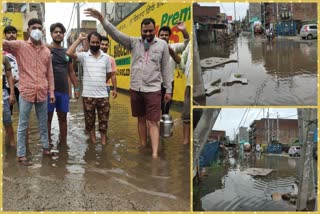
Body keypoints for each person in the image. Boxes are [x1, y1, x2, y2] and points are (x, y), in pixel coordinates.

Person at [85, 8, 172, 158]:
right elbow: (116, 34)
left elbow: (165, 68)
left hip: (153, 89)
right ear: (141, 31)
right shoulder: (133, 42)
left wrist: (168, 90)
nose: (148, 34)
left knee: (153, 121)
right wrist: (102, 19)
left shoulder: (162, 45)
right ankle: (143, 147)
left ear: (155, 30)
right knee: (141, 119)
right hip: (136, 88)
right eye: (145, 31)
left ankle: (155, 155)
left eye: (151, 31)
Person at [3, 18, 55, 166]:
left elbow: (49, 73)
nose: (36, 30)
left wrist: (51, 92)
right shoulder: (20, 46)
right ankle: (21, 155)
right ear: (28, 30)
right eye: (34, 27)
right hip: (26, 90)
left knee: (43, 123)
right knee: (23, 124)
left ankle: (46, 148)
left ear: (43, 30)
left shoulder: (46, 51)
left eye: (39, 27)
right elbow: (4, 42)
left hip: (42, 91)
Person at [66, 32, 112, 145]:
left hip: (103, 96)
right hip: (88, 96)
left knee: (104, 122)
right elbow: (68, 53)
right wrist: (78, 39)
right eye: (93, 42)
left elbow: (109, 74)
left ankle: (103, 143)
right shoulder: (84, 56)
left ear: (100, 43)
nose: (95, 44)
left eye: (97, 42)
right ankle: (93, 142)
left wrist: (100, 82)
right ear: (89, 42)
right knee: (90, 122)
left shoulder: (106, 58)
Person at [48, 22, 80, 150]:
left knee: (63, 119)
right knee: (47, 118)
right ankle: (48, 144)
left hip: (63, 91)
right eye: (55, 32)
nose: (58, 34)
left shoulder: (67, 53)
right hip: (48, 91)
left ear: (63, 35)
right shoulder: (46, 49)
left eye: (60, 32)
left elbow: (71, 72)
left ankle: (63, 144)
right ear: (51, 34)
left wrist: (76, 88)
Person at [158, 22, 189, 114]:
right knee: (153, 110)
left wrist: (184, 31)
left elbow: (187, 45)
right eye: (161, 35)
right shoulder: (152, 49)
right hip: (154, 84)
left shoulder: (174, 47)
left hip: (169, 84)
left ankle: (164, 127)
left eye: (166, 35)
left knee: (166, 110)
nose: (164, 36)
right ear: (158, 36)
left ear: (169, 37)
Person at [179, 42, 191, 145]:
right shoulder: (190, 44)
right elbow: (183, 58)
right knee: (187, 115)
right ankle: (185, 141)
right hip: (190, 84)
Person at [2, 55, 15, 146]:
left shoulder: (4, 58)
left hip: (3, 93)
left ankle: (12, 144)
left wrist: (12, 93)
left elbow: (9, 76)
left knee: (7, 120)